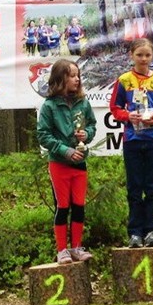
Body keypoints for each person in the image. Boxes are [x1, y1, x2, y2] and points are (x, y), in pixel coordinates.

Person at [109, 38, 153, 248]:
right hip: (132, 140)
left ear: (152, 55)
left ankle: (151, 231)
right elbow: (115, 108)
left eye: (147, 55)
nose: (143, 59)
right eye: (139, 54)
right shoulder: (123, 80)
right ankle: (135, 233)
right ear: (131, 55)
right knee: (134, 188)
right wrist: (128, 116)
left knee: (152, 188)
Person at [37, 59, 97, 264]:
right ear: (60, 78)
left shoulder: (84, 102)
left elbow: (92, 127)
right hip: (59, 163)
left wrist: (85, 135)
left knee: (79, 205)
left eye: (78, 75)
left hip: (80, 162)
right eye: (72, 75)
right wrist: (65, 150)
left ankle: (77, 247)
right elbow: (43, 136)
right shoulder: (49, 106)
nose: (77, 79)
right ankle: (62, 250)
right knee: (63, 206)